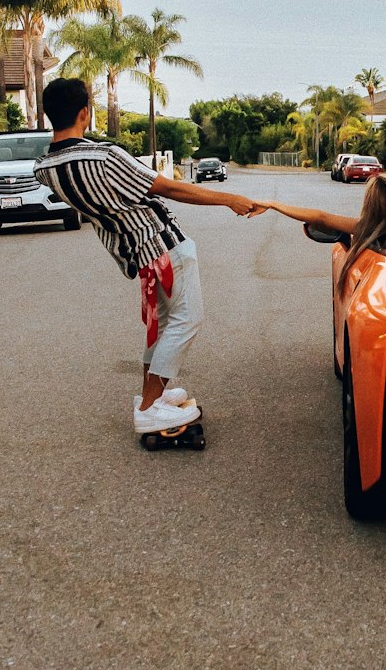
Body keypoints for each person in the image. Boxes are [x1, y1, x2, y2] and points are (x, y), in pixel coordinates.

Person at [34, 77, 268, 436]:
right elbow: (170, 188)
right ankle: (149, 407)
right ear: (84, 113)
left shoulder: (46, 169)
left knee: (161, 326)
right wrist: (229, 199)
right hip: (165, 245)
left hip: (138, 255)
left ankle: (151, 395)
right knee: (188, 319)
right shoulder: (105, 157)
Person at [265, 170, 386, 286]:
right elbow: (321, 217)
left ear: (370, 204)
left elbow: (321, 218)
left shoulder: (366, 229)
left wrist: (274, 204)